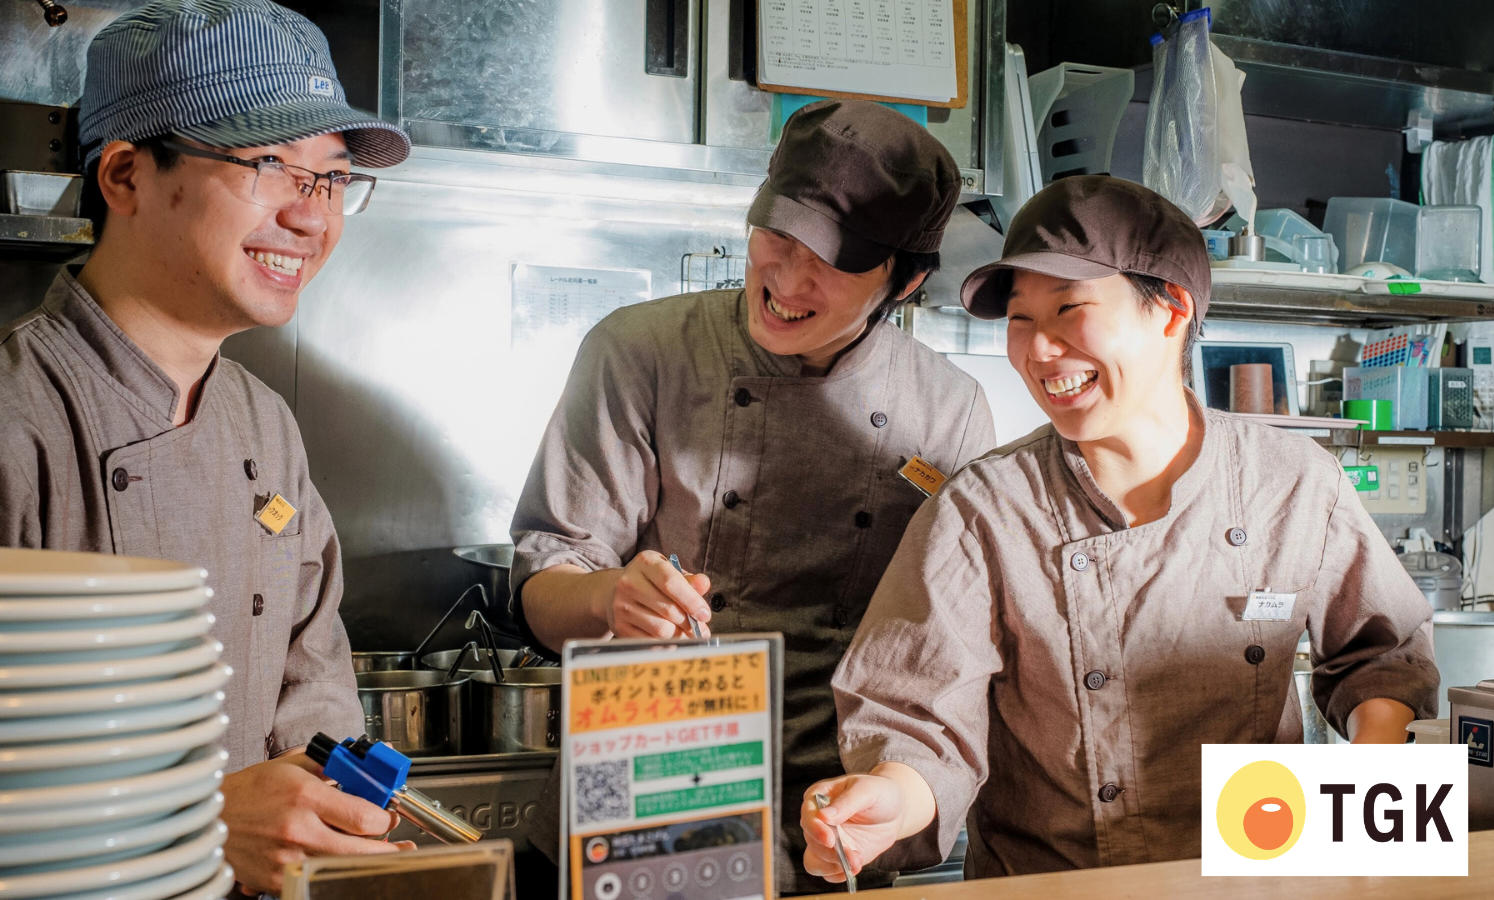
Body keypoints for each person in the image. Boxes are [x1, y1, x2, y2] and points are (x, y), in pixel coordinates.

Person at [799, 176, 1440, 883]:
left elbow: (1383, 655)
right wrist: (889, 802)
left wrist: (1373, 778)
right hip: (1054, 891)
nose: (1039, 350)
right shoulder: (985, 508)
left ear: (1171, 312)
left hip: (1256, 880)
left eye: (1069, 309)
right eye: (1020, 319)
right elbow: (917, 718)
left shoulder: (1290, 481)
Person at [510, 99, 996, 892]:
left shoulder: (949, 411)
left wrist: (905, 793)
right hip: (643, 801)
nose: (789, 280)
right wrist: (608, 599)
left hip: (832, 817)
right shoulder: (641, 352)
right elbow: (542, 586)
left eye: (835, 262)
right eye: (780, 235)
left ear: (906, 281)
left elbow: (946, 652)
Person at [0, 1, 413, 894]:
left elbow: (314, 684)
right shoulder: (17, 414)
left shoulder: (265, 424)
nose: (312, 217)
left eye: (333, 180)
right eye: (271, 166)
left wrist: (336, 815)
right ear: (125, 175)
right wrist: (199, 824)